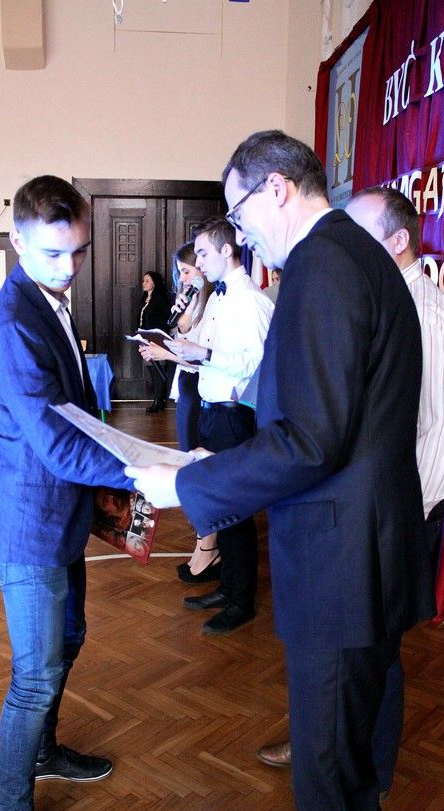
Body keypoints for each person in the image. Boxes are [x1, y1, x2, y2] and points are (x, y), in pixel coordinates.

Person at [125, 130, 434, 811]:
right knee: (343, 764)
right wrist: (214, 460)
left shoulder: (323, 265)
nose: (240, 234)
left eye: (238, 213)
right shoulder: (349, 256)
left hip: (341, 562)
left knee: (328, 767)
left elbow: (312, 441)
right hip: (361, 548)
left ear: (276, 189)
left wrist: (189, 487)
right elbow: (321, 416)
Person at [256, 186, 444, 790]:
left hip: (397, 516)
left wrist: (396, 517)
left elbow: (438, 443)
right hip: (373, 513)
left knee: (377, 654)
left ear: (399, 241)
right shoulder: (378, 295)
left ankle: (364, 778)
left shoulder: (428, 317)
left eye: (359, 231)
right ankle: (328, 745)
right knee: (354, 653)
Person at [0, 175, 132, 811]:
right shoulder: (14, 324)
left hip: (59, 517)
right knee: (34, 678)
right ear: (16, 239)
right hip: (29, 525)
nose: (68, 268)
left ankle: (42, 752)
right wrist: (143, 469)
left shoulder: (48, 301)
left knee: (69, 640)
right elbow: (58, 446)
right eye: (51, 254)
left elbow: (74, 415)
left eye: (78, 252)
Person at [164, 215, 274, 635]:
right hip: (210, 410)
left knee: (235, 511)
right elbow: (204, 352)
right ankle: (227, 587)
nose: (199, 262)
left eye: (204, 253)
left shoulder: (252, 301)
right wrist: (176, 350)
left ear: (227, 250)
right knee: (220, 507)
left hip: (234, 415)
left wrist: (204, 354)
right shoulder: (216, 299)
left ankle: (241, 600)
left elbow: (255, 363)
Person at [139, 242, 222, 584]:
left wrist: (166, 354)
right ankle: (204, 539)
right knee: (190, 460)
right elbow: (183, 339)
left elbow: (206, 356)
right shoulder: (191, 302)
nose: (183, 279)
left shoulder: (216, 301)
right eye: (180, 274)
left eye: (187, 271)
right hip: (187, 384)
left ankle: (209, 544)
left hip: (202, 386)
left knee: (200, 464)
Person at [139, 270, 173, 413]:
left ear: (154, 283)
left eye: (147, 280)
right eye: (143, 281)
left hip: (157, 340)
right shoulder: (144, 299)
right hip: (145, 339)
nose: (144, 283)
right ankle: (157, 399)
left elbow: (169, 318)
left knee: (158, 369)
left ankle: (159, 401)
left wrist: (160, 333)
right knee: (152, 369)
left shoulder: (159, 299)